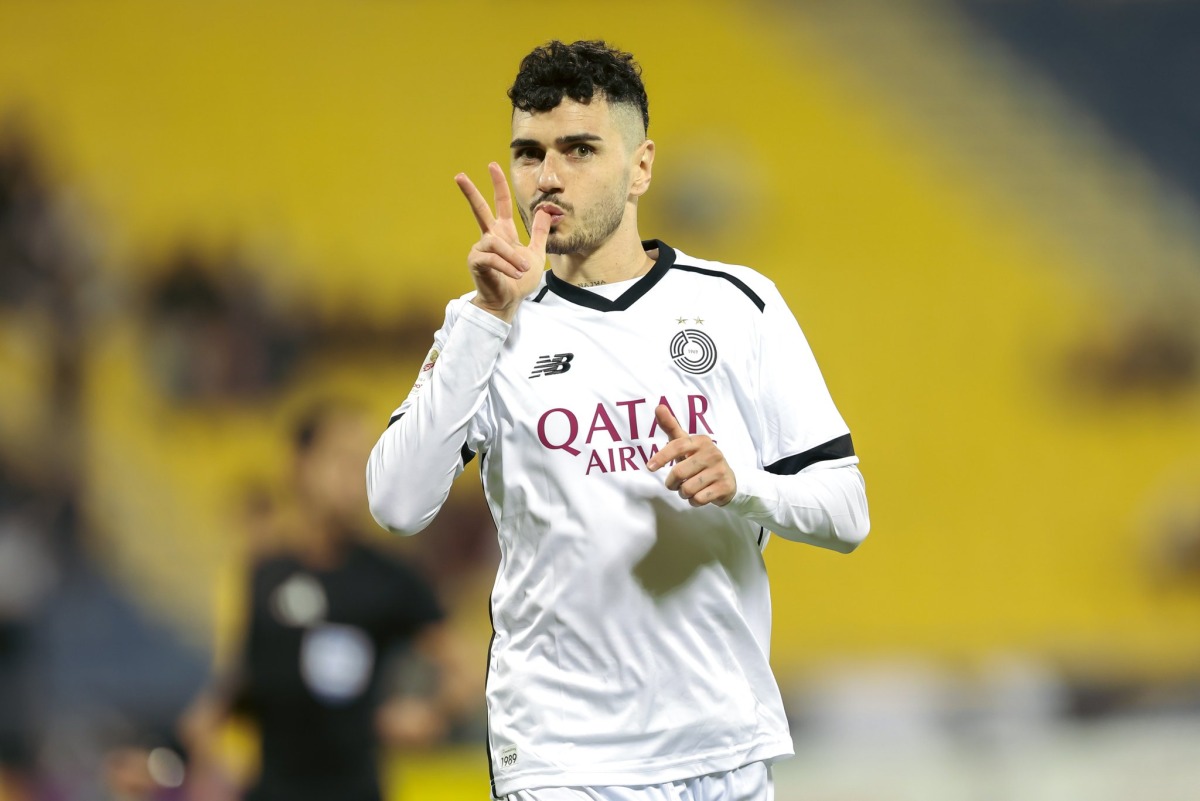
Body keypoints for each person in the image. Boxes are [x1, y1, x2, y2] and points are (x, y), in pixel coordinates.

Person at [366, 40, 870, 801]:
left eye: (578, 149)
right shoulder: (488, 326)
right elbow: (396, 505)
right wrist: (487, 319)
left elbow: (847, 510)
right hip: (570, 759)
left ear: (641, 167)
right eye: (529, 153)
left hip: (725, 746)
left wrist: (744, 485)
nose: (548, 177)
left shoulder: (740, 304)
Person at [181, 402, 470, 801]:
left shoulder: (389, 578)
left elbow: (466, 670)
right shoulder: (267, 572)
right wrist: (209, 719)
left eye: (363, 462)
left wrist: (431, 713)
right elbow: (251, 670)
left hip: (353, 790)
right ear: (300, 465)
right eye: (341, 459)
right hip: (271, 790)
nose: (354, 477)